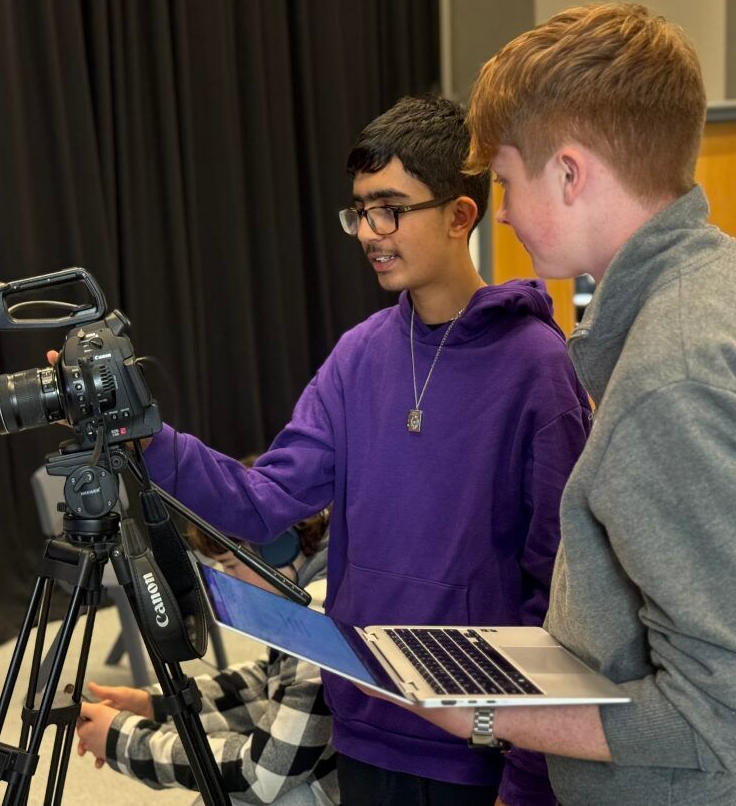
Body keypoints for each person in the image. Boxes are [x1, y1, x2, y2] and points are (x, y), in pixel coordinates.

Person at [372, 3, 736, 806]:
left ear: (569, 172)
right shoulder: (729, 277)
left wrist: (485, 711)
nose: (504, 212)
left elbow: (719, 719)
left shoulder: (674, 373)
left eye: (505, 182)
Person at [118, 96, 591, 805]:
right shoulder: (358, 355)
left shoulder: (536, 366)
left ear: (460, 215)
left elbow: (558, 586)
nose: (370, 231)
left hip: (476, 740)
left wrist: (528, 774)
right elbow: (263, 501)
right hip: (365, 722)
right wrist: (151, 440)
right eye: (360, 210)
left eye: (391, 208)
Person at [75, 490, 337, 806]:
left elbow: (262, 775)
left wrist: (122, 740)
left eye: (230, 565)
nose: (230, 582)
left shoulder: (314, 619)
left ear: (277, 548)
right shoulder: (322, 582)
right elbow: (273, 684)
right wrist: (157, 705)